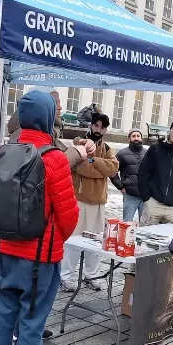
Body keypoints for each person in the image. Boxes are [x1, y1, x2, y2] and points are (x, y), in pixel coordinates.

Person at [0, 90, 80, 345]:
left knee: (4, 318)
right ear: (48, 117)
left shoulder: (3, 152)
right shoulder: (54, 158)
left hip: (6, 250)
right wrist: (55, 238)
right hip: (40, 257)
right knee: (32, 323)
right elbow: (68, 215)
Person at [61, 113, 119, 292]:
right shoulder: (79, 144)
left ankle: (92, 275)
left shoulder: (108, 147)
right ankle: (65, 276)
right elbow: (79, 166)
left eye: (102, 127)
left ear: (105, 130)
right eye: (96, 125)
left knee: (96, 242)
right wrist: (98, 169)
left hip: (98, 202)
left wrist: (93, 161)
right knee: (72, 240)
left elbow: (113, 168)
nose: (98, 129)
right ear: (91, 125)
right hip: (77, 200)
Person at [7, 86, 94, 169]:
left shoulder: (49, 133)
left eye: (59, 102)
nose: (60, 107)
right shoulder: (22, 134)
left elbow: (70, 159)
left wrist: (84, 149)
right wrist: (76, 153)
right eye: (54, 103)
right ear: (40, 107)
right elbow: (41, 172)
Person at [137, 119, 173, 226]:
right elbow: (143, 173)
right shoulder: (155, 149)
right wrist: (146, 198)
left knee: (171, 241)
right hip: (153, 205)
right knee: (145, 240)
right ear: (169, 130)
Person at [110, 129, 147, 222]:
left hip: (145, 196)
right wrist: (120, 187)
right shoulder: (122, 154)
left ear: (141, 138)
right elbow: (112, 171)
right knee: (126, 224)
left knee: (145, 225)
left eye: (138, 136)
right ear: (129, 138)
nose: (136, 138)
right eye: (133, 136)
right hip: (130, 194)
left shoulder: (148, 153)